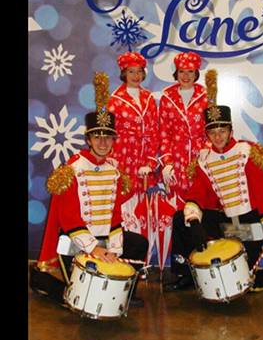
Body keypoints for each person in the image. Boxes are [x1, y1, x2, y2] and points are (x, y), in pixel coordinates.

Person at [29, 72, 149, 307]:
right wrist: (94, 248)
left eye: (108, 137)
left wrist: (113, 248)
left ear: (114, 141)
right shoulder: (71, 169)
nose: (102, 142)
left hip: (105, 236)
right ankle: (42, 281)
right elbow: (68, 217)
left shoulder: (115, 170)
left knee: (138, 243)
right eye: (97, 137)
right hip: (76, 241)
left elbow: (114, 214)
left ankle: (125, 292)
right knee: (80, 300)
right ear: (89, 139)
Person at [163, 89, 263, 293]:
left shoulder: (248, 151)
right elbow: (197, 193)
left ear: (231, 131)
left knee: (243, 282)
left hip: (251, 224)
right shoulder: (204, 159)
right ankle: (186, 274)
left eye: (222, 131)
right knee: (181, 218)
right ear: (207, 134)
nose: (217, 137)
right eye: (212, 132)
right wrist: (195, 222)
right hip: (225, 222)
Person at [107, 52, 159, 233]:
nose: (136, 76)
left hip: (144, 158)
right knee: (124, 201)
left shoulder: (149, 98)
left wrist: (151, 162)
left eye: (139, 71)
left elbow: (154, 132)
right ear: (124, 74)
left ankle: (143, 248)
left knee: (144, 206)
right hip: (123, 157)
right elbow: (109, 133)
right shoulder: (115, 99)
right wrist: (110, 158)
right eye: (131, 72)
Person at [159, 52, 209, 206]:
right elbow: (164, 132)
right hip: (176, 157)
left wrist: (208, 148)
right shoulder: (167, 98)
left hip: (200, 156)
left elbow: (212, 127)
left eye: (190, 71)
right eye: (181, 71)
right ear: (176, 73)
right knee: (176, 202)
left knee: (200, 199)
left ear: (196, 73)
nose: (185, 75)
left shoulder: (206, 96)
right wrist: (167, 162)